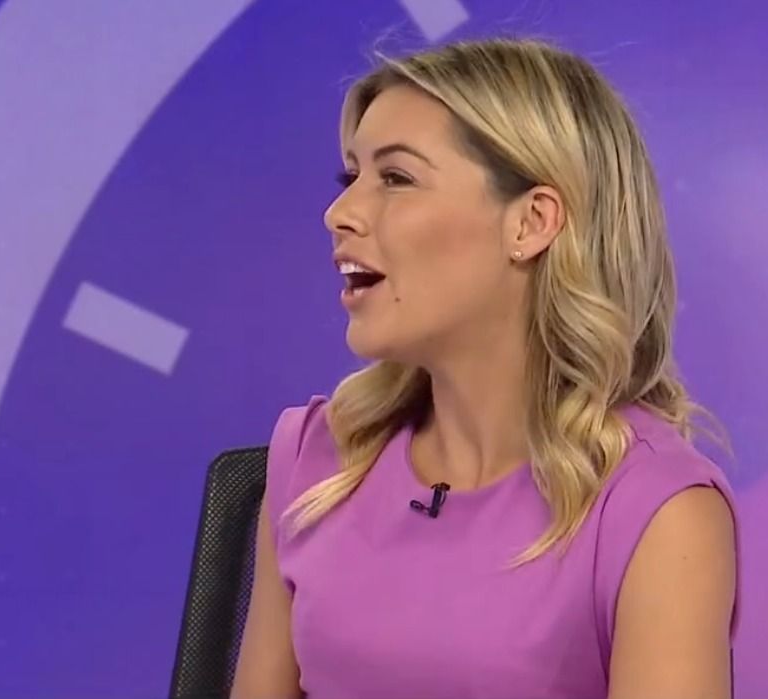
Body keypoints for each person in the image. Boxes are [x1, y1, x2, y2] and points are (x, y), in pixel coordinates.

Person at [232, 36, 740, 699]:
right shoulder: (316, 460)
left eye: (396, 178)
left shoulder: (659, 512)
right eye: (350, 177)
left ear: (531, 223)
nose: (340, 213)